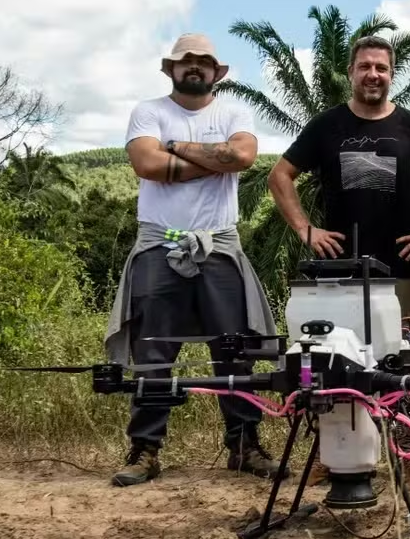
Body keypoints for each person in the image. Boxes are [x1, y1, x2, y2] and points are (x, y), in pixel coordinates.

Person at [105, 33, 283, 487]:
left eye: (204, 62)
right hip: (158, 247)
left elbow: (242, 156)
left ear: (217, 73)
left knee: (234, 351)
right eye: (187, 62)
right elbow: (145, 164)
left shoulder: (233, 112)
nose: (195, 68)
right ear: (171, 69)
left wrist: (175, 147)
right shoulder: (149, 111)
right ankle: (145, 450)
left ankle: (244, 445)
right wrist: (214, 159)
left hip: (219, 246)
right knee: (153, 352)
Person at [267, 35, 410, 452]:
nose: (373, 74)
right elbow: (279, 177)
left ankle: (403, 436)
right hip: (336, 271)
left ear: (392, 74)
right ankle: (339, 444)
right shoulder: (328, 126)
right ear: (351, 72)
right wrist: (306, 231)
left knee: (398, 353)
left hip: (397, 266)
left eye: (381, 67)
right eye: (365, 66)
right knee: (336, 357)